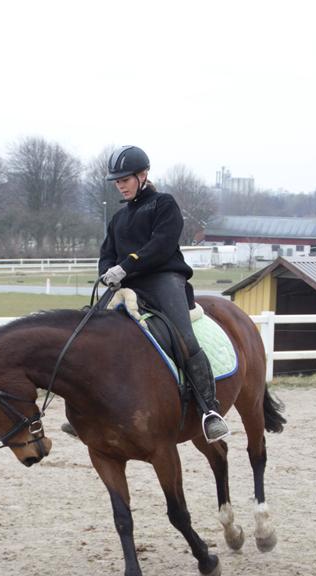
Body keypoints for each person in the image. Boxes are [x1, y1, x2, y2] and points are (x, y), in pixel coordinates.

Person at [96, 145, 230, 443]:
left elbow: (161, 245)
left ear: (143, 175)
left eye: (126, 179)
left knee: (184, 338)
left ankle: (209, 410)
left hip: (163, 278)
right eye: (117, 181)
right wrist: (108, 272)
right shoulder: (118, 218)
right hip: (128, 283)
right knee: (92, 330)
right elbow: (107, 253)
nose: (121, 184)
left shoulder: (163, 204)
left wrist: (127, 265)